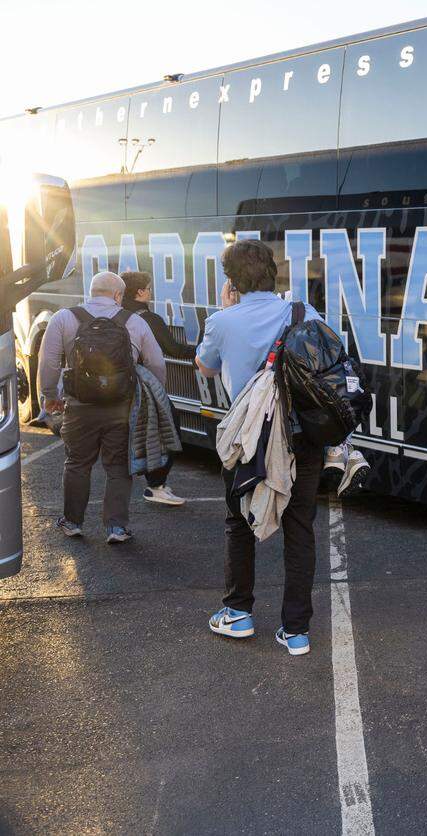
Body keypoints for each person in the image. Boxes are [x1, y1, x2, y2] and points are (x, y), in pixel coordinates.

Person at [195, 239, 323, 657]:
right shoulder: (304, 312)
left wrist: (226, 308)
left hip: (249, 438)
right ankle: (296, 631)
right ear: (273, 273)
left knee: (239, 522)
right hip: (302, 436)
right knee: (299, 527)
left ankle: (238, 613)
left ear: (231, 280)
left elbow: (207, 366)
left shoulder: (222, 321)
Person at [38, 270, 166, 544]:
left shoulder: (64, 318)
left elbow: (48, 363)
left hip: (78, 405)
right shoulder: (134, 321)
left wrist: (50, 395)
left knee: (77, 463)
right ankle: (116, 528)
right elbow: (156, 363)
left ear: (91, 291)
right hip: (121, 406)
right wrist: (153, 394)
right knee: (119, 467)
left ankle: (72, 522)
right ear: (119, 295)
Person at [121, 270, 194, 506]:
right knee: (169, 428)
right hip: (143, 384)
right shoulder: (149, 319)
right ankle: (156, 485)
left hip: (115, 384)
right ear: (140, 292)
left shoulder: (117, 314)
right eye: (148, 288)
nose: (150, 292)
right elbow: (173, 350)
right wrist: (203, 350)